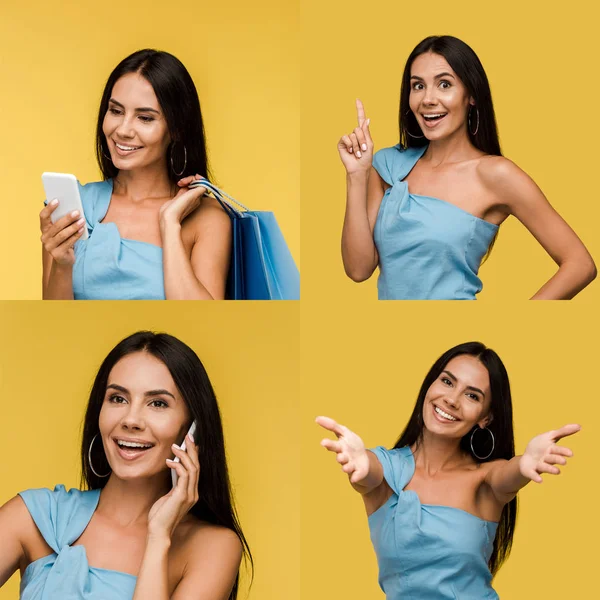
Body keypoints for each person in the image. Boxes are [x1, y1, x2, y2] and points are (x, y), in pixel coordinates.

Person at [339, 35, 596, 299]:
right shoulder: (387, 165)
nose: (428, 99)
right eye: (418, 86)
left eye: (444, 84)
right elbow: (358, 269)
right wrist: (357, 175)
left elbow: (580, 265)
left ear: (470, 95)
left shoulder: (496, 175)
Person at [317, 341, 580, 599]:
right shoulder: (386, 470)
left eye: (472, 395)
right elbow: (370, 471)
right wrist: (359, 461)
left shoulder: (484, 481)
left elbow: (507, 475)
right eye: (447, 381)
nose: (452, 400)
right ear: (430, 384)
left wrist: (525, 465)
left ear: (485, 417)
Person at [0, 331, 251, 599]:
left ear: (192, 430)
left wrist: (158, 538)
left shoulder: (212, 548)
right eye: (118, 398)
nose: (131, 420)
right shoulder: (33, 517)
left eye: (157, 403)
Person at [40, 49, 231, 300]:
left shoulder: (208, 219)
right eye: (116, 111)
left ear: (176, 129)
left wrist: (171, 224)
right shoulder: (73, 208)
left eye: (144, 117)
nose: (123, 130)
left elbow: (203, 321)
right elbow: (55, 320)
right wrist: (62, 265)